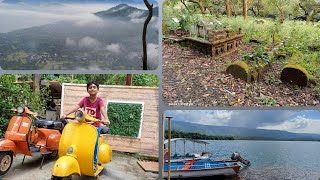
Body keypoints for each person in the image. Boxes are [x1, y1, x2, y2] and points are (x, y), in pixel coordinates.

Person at [62, 80, 110, 171]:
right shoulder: (85, 99)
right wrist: (66, 114)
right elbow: (76, 107)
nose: (92, 89)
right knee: (78, 142)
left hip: (95, 126)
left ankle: (94, 163)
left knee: (94, 145)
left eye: (94, 87)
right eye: (90, 87)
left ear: (98, 89)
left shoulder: (99, 101)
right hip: (84, 126)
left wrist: (106, 119)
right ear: (87, 90)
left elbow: (103, 110)